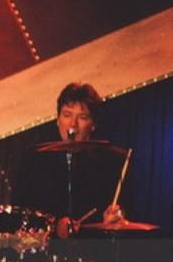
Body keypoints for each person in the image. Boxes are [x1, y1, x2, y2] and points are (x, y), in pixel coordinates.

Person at [13, 83, 127, 236]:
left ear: (93, 124)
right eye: (67, 115)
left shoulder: (110, 165)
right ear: (58, 119)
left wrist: (114, 218)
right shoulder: (33, 161)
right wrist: (55, 227)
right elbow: (18, 216)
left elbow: (123, 216)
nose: (73, 125)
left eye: (82, 117)